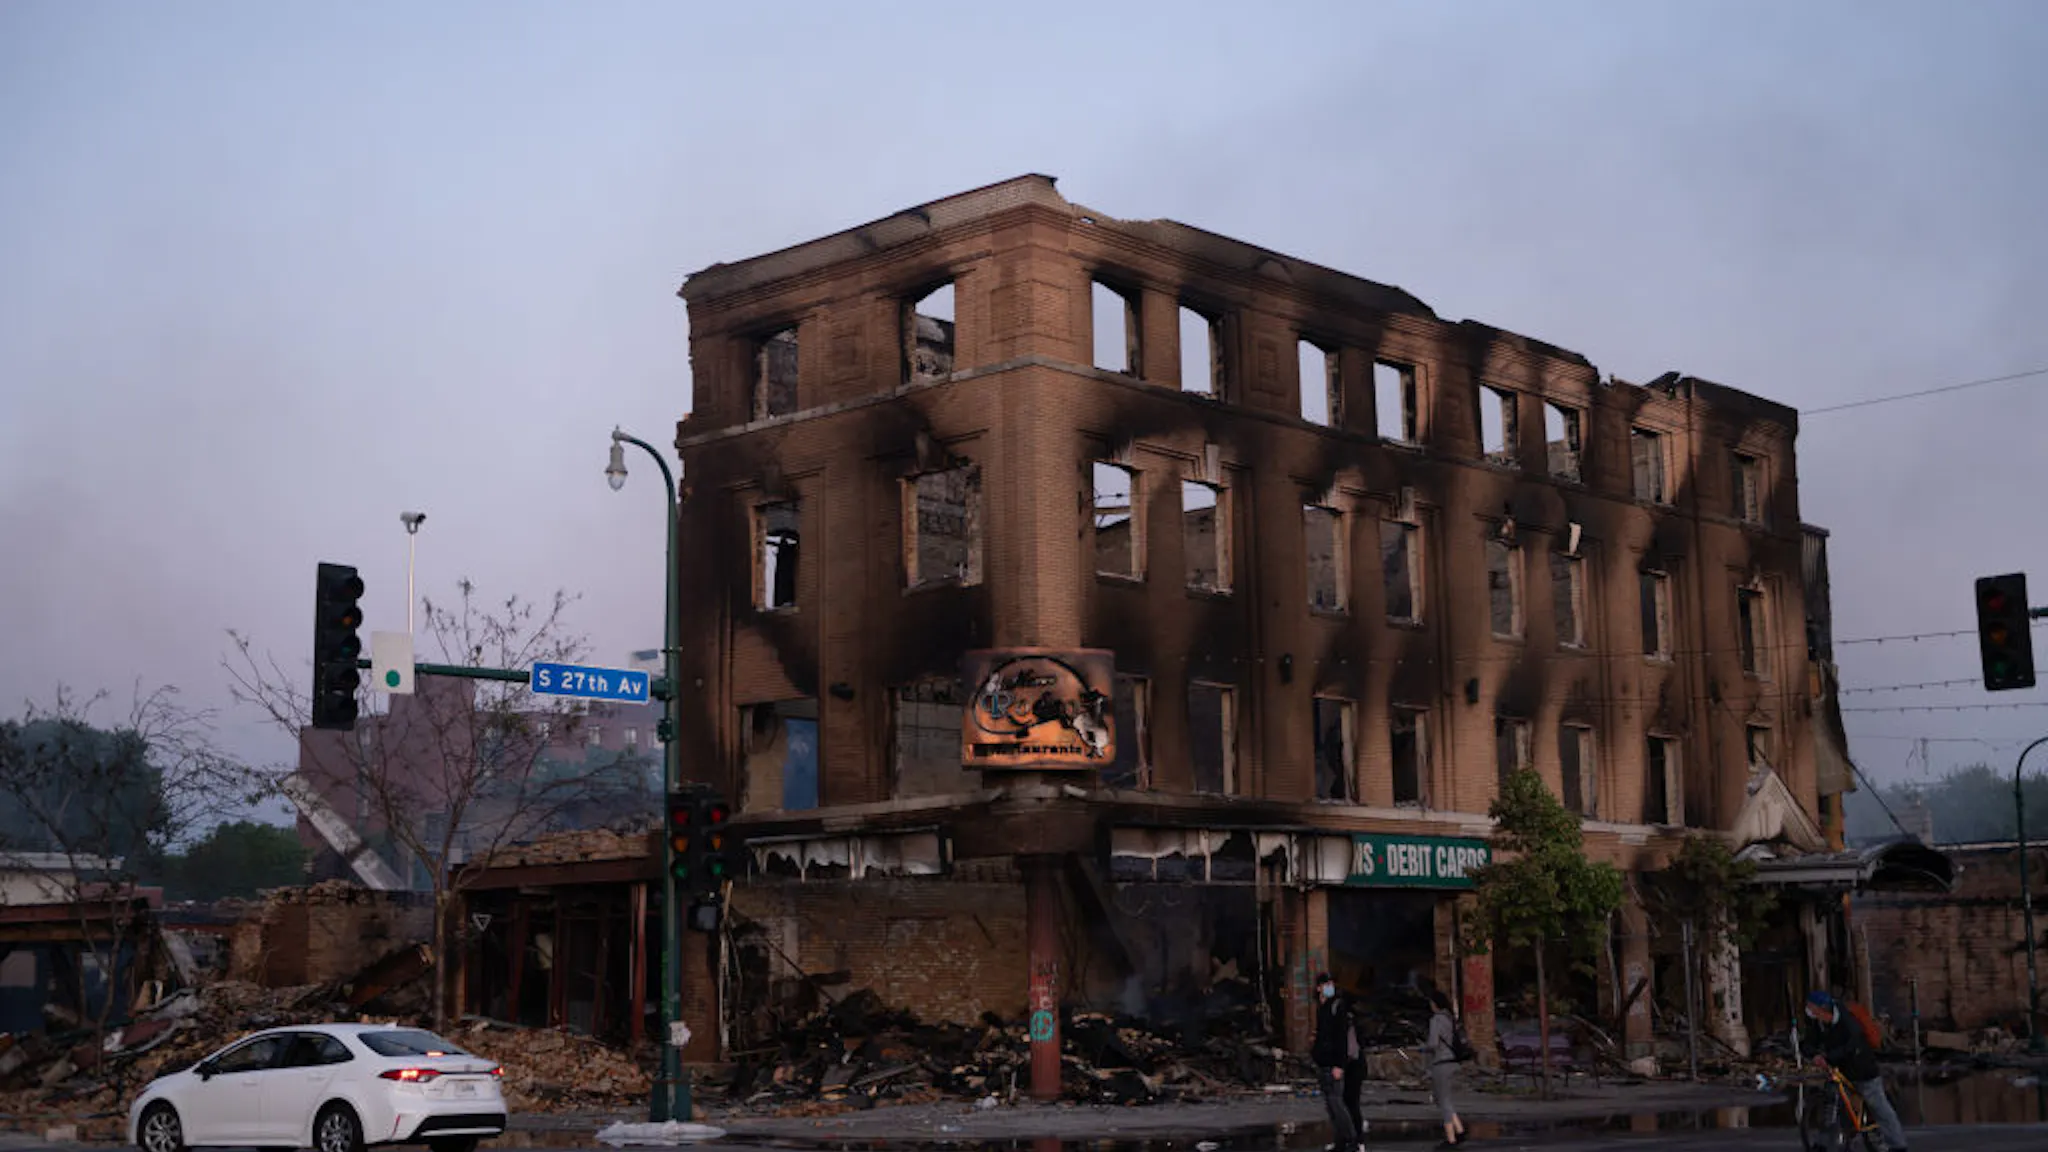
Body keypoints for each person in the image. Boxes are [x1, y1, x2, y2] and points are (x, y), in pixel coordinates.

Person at [1804, 990, 1907, 1152]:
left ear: (1821, 1008)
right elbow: (1809, 1042)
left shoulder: (1847, 1021)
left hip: (1862, 1068)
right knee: (1831, 1105)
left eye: (1811, 1006)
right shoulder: (1818, 1022)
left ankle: (1898, 1145)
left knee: (1879, 1107)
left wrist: (1829, 1057)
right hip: (1839, 1068)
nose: (1808, 1010)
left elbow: (1852, 1046)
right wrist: (1813, 1054)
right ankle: (1824, 1144)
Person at [1311, 973, 1364, 1151]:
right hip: (1324, 1062)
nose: (1330, 986)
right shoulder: (1322, 1007)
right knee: (1331, 1105)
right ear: (1319, 987)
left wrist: (1339, 1065)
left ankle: (1351, 1140)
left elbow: (1340, 1038)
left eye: (1331, 983)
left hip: (1333, 1062)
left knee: (1337, 1102)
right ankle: (1341, 1140)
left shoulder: (1336, 1006)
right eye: (1326, 983)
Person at [1423, 989, 1467, 1147]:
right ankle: (1459, 1130)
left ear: (1435, 1004)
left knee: (1443, 1101)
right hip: (1452, 1061)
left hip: (1440, 1062)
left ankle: (1451, 1138)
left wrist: (1425, 1048)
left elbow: (1433, 1043)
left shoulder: (1436, 1020)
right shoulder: (1450, 1018)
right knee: (1445, 1098)